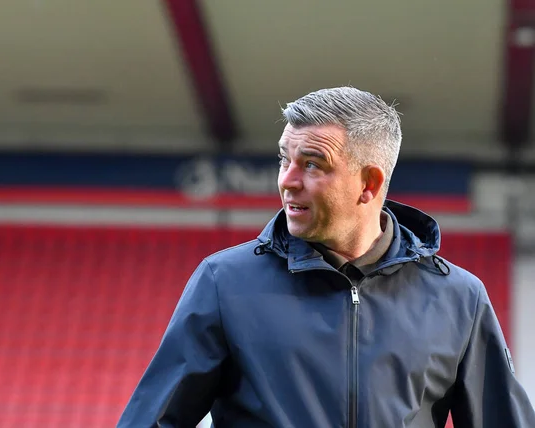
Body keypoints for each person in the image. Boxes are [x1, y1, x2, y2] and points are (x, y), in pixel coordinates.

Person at [116, 87, 535, 427]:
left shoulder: (458, 298)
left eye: (312, 165)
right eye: (285, 159)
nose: (287, 182)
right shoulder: (224, 282)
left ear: (368, 184)